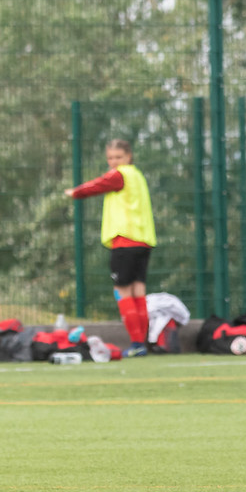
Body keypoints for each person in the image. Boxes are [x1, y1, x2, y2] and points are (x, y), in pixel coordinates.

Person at [64, 139, 155, 358]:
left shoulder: (119, 174)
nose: (114, 162)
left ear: (128, 157)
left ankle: (136, 343)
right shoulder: (138, 176)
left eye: (118, 157)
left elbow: (98, 185)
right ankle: (143, 344)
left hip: (125, 240)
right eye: (111, 158)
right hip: (143, 241)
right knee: (138, 292)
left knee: (122, 292)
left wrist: (75, 192)